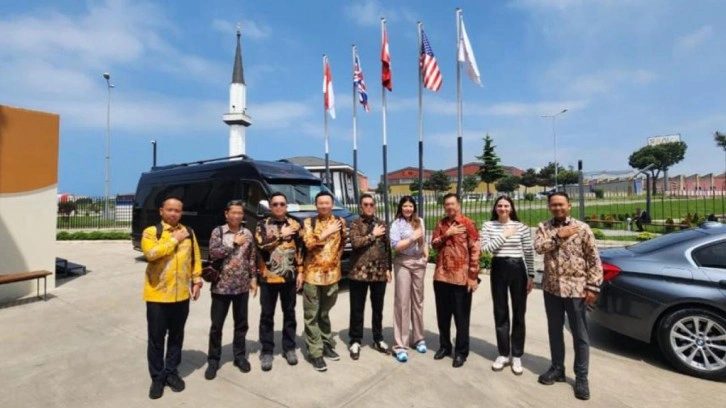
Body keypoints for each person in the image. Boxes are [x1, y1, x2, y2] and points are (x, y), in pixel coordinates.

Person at [534, 192, 603, 401]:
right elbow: (538, 248)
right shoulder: (543, 228)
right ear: (549, 207)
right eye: (553, 205)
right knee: (554, 331)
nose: (557, 208)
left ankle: (582, 377)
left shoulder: (582, 229)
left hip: (576, 289)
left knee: (580, 335)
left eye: (561, 204)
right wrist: (558, 236)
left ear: (569, 206)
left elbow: (594, 259)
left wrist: (592, 287)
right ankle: (557, 368)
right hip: (552, 289)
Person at [141, 197, 202, 400]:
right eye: (170, 210)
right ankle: (157, 378)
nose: (174, 214)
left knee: (176, 337)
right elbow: (151, 253)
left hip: (181, 295)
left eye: (177, 210)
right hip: (158, 295)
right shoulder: (151, 232)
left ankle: (171, 372)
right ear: (161, 211)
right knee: (157, 339)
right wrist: (175, 239)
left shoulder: (189, 232)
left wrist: (196, 280)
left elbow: (195, 258)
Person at [480, 196, 535, 375]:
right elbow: (485, 248)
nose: (503, 208)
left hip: (517, 268)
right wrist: (504, 235)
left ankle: (517, 354)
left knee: (519, 312)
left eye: (506, 205)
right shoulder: (489, 226)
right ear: (495, 208)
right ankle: (503, 353)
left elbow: (528, 251)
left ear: (511, 208)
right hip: (499, 267)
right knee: (500, 311)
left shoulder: (522, 227)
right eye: (500, 205)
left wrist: (531, 275)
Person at [204, 200, 257, 380]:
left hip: (241, 287)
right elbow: (214, 253)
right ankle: (213, 360)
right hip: (221, 287)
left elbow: (251, 258)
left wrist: (253, 278)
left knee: (241, 324)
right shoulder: (218, 232)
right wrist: (233, 243)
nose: (236, 216)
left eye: (239, 213)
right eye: (233, 212)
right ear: (226, 214)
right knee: (216, 326)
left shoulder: (247, 233)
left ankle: (239, 357)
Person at [298, 191, 347, 372]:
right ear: (316, 205)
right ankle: (315, 352)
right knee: (312, 315)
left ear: (332, 204)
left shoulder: (340, 222)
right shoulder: (309, 222)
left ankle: (326, 343)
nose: (324, 206)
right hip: (312, 276)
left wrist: (334, 262)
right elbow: (308, 244)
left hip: (332, 275)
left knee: (324, 313)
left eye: (327, 203)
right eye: (320, 203)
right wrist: (325, 233)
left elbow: (342, 245)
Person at [430, 193, 480, 368]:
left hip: (461, 278)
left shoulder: (468, 223)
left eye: (452, 204)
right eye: (447, 204)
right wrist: (447, 234)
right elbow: (434, 244)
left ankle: (461, 352)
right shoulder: (441, 224)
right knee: (443, 316)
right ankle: (445, 346)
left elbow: (475, 250)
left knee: (461, 317)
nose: (449, 207)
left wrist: (473, 276)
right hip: (441, 277)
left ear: (458, 205)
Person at [255, 192, 303, 371]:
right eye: (275, 204)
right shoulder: (262, 224)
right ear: (270, 206)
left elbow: (301, 249)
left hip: (290, 277)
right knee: (267, 315)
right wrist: (280, 236)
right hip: (268, 278)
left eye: (282, 204)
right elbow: (261, 244)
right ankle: (267, 350)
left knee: (289, 313)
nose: (279, 207)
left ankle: (289, 348)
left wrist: (301, 272)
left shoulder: (295, 224)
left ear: (287, 205)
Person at [348, 193, 391, 360]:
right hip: (359, 273)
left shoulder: (382, 224)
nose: (368, 207)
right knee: (357, 309)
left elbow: (387, 248)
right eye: (365, 204)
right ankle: (355, 340)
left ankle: (378, 338)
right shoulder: (355, 224)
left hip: (378, 273)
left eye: (371, 204)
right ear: (360, 206)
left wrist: (389, 268)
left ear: (375, 206)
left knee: (378, 309)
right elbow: (356, 243)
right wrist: (373, 234)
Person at [389, 195, 428, 363]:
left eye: (410, 206)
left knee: (418, 301)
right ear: (400, 207)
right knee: (403, 303)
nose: (408, 209)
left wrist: (426, 256)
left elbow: (424, 241)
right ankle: (401, 345)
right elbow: (395, 245)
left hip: (419, 263)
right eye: (405, 206)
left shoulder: (420, 221)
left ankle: (418, 338)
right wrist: (412, 237)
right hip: (403, 263)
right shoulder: (396, 224)